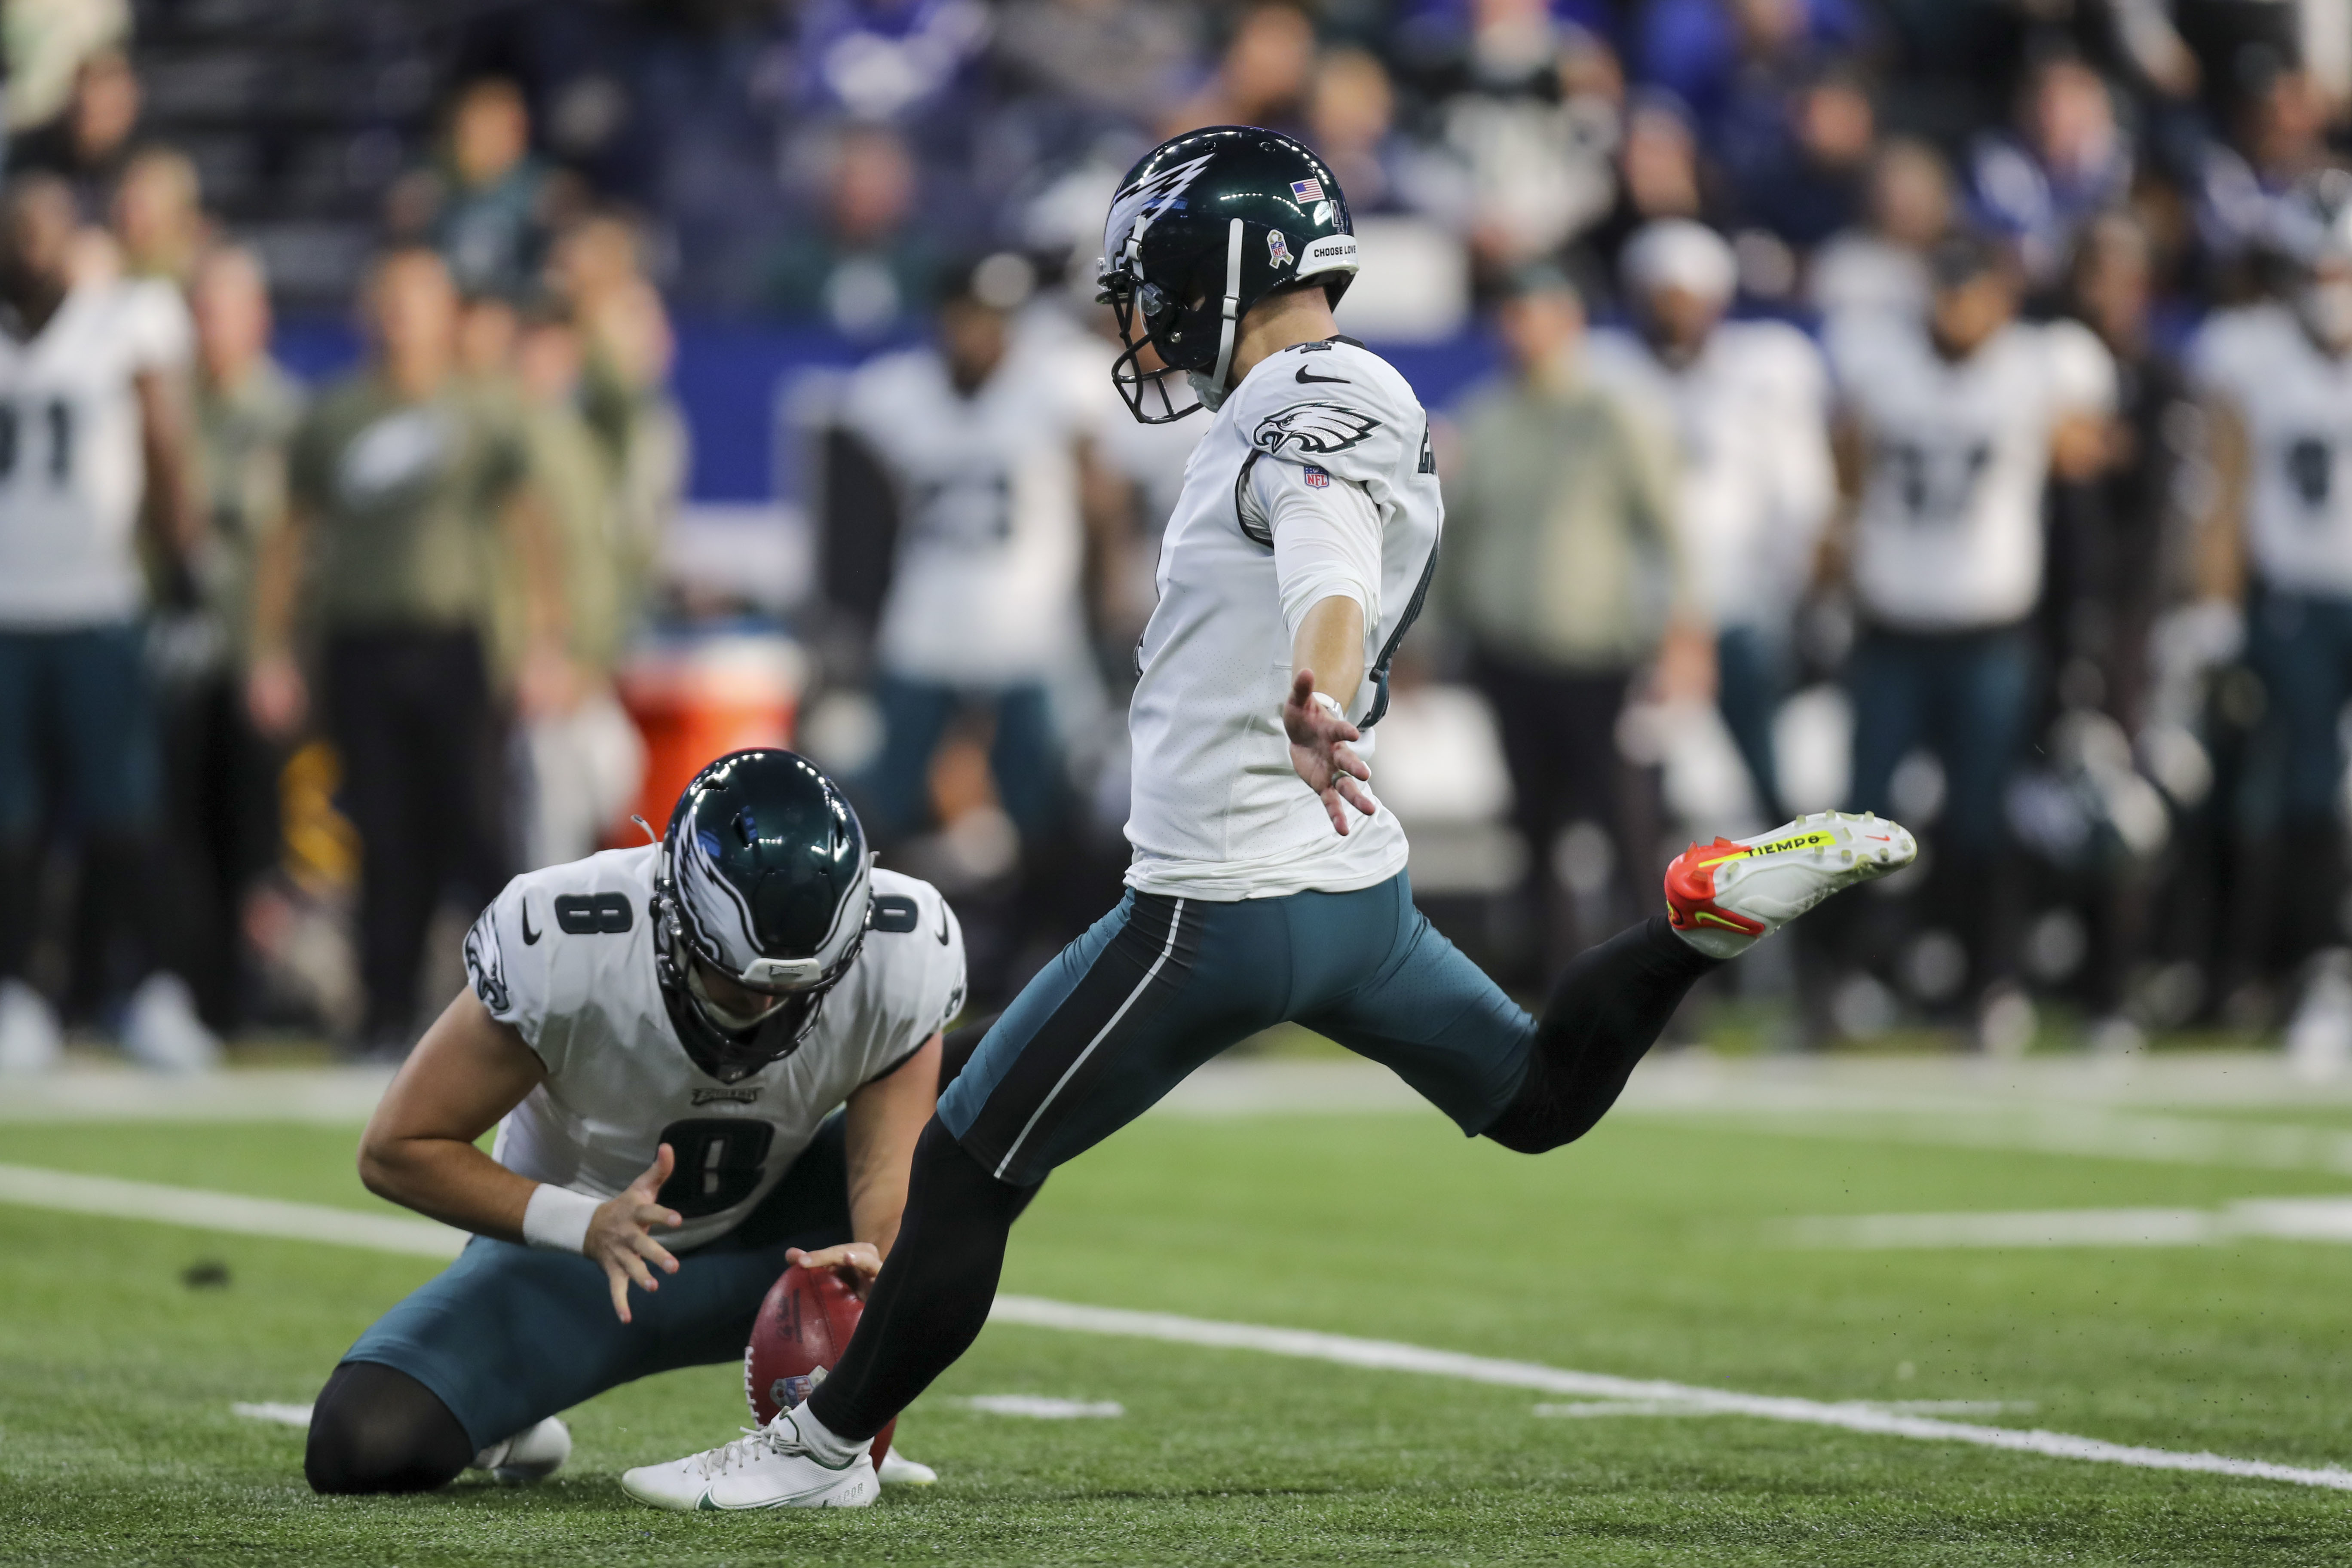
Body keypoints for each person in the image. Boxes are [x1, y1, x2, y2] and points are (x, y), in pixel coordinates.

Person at [621, 126, 1915, 1512]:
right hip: (1355, 896)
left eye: (1153, 276)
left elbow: (1328, 560)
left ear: (1223, 264)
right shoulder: (1357, 388)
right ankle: (1691, 924)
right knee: (1537, 1097)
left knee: (967, 1160)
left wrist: (1320, 685)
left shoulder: (1296, 404)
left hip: (1215, 906)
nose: (1139, 310)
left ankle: (822, 1452)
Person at [303, 750, 966, 1494]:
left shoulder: (900, 945)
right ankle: (514, 1414)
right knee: (360, 1443)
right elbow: (397, 1148)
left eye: (798, 989)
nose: (768, 1009)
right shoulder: (568, 938)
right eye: (741, 983)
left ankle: (831, 1433)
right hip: (574, 1269)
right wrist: (582, 1223)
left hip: (777, 1248)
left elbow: (887, 1172)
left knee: (1001, 1105)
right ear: (674, 915)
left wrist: (876, 1271)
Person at [246, 246, 570, 1058]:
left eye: (416, 301)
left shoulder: (480, 413)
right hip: (360, 646)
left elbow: (531, 528)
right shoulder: (335, 415)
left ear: (445, 312)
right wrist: (271, 648)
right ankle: (385, 1013)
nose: (400, 318)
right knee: (382, 835)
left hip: (452, 644)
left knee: (476, 827)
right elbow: (288, 538)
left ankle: (529, 1004)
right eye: (387, 301)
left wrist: (543, 640)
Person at [1823, 232, 2115, 1037]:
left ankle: (1989, 980)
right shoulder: (1879, 364)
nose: (1958, 308)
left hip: (1991, 630)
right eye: (1947, 290)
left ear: (2003, 296)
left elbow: (2091, 462)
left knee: (1985, 816)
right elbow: (1845, 470)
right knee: (1862, 817)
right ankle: (1849, 981)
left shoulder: (2037, 368)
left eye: (1972, 291)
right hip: (1893, 626)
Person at [0, 174, 217, 1074]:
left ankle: (156, 991)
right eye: (19, 232)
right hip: (8, 615)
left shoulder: (126, 319)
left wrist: (186, 574)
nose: (32, 247)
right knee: (10, 824)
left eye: (48, 231)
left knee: (129, 811)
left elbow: (165, 443)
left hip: (99, 606)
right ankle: (18, 994)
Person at [1441, 262, 1697, 981]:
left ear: (1570, 322)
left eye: (1536, 314)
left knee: (1628, 829)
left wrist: (1684, 630)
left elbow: (1669, 528)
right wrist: (1432, 637)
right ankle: (1559, 990)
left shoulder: (1614, 413)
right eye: (1512, 315)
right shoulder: (1484, 417)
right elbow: (1459, 539)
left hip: (1602, 657)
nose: (1522, 330)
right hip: (1508, 654)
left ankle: (1666, 989)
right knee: (1533, 829)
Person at [841, 255, 1101, 863]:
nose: (979, 332)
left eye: (993, 318)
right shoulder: (896, 394)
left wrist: (1101, 595)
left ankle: (1040, 940)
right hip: (925, 622)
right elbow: (857, 507)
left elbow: (1101, 497)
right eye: (967, 317)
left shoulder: (1055, 386)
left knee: (1043, 806)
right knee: (887, 799)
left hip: (1027, 630)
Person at [1590, 220, 1835, 823]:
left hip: (1742, 607)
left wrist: (1791, 589)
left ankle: (1796, 892)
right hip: (1642, 616)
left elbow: (1801, 495)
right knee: (1639, 781)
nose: (1676, 315)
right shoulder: (1602, 373)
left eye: (1689, 300)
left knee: (1766, 768)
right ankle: (1650, 903)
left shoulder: (1767, 369)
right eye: (1662, 299)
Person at [2188, 171, 2352, 999]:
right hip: (2295, 599)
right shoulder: (2248, 352)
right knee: (2304, 782)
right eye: (2316, 271)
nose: (2329, 290)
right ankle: (2311, 963)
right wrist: (2214, 608)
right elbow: (2226, 484)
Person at [162, 244, 304, 1030]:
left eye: (224, 310)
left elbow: (295, 552)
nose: (210, 326)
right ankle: (192, 996)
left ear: (259, 320)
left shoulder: (283, 416)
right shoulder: (169, 407)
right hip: (184, 659)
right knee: (179, 835)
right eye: (201, 309)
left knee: (257, 844)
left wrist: (281, 653)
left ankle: (255, 1001)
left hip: (253, 659)